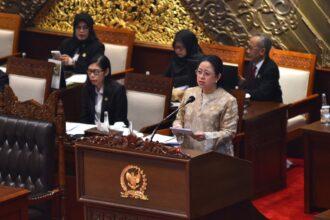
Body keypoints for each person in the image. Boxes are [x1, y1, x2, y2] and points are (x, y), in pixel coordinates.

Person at [172, 55, 238, 156]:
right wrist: (177, 126)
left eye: (207, 73)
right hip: (187, 151)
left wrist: (207, 136)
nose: (201, 76)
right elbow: (179, 118)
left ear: (217, 77)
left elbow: (229, 132)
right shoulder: (189, 93)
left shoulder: (228, 100)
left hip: (214, 156)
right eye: (199, 72)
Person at [57, 12, 105, 86]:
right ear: (74, 29)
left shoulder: (97, 47)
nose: (81, 31)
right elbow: (51, 60)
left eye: (85, 28)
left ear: (90, 30)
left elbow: (94, 71)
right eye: (78, 27)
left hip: (84, 86)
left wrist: (72, 63)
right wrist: (57, 60)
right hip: (63, 80)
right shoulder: (66, 43)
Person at [80, 55, 128, 126]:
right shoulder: (86, 88)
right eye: (89, 71)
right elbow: (84, 118)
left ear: (106, 72)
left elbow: (120, 120)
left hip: (111, 132)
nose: (92, 75)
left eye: (96, 72)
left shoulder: (118, 90)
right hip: (91, 132)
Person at [239, 33, 282, 102]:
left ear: (262, 51)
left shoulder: (271, 69)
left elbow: (262, 94)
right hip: (253, 105)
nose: (247, 51)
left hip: (270, 107)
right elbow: (251, 86)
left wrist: (241, 92)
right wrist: (241, 83)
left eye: (250, 48)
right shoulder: (251, 64)